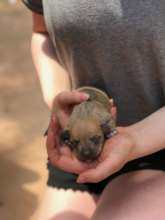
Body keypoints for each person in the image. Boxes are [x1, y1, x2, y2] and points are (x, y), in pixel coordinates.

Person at [22, 1, 165, 219]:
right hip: (78, 145)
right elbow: (43, 34)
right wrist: (59, 99)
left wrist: (135, 139)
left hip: (157, 141)